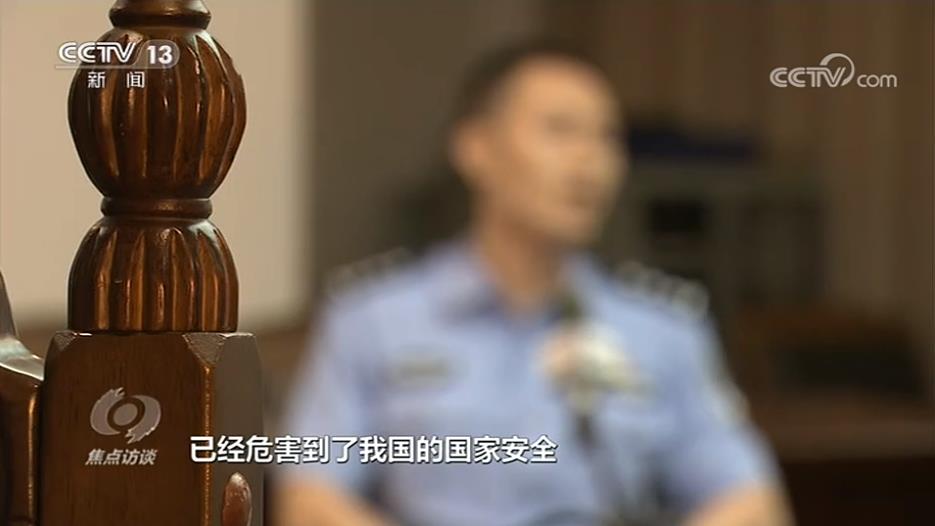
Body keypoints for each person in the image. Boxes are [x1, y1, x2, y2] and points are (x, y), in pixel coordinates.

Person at [277, 40, 792, 526]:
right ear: (474, 148)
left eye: (607, 137)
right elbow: (308, 498)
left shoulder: (661, 329)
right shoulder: (374, 320)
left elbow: (752, 501)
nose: (590, 161)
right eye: (560, 130)